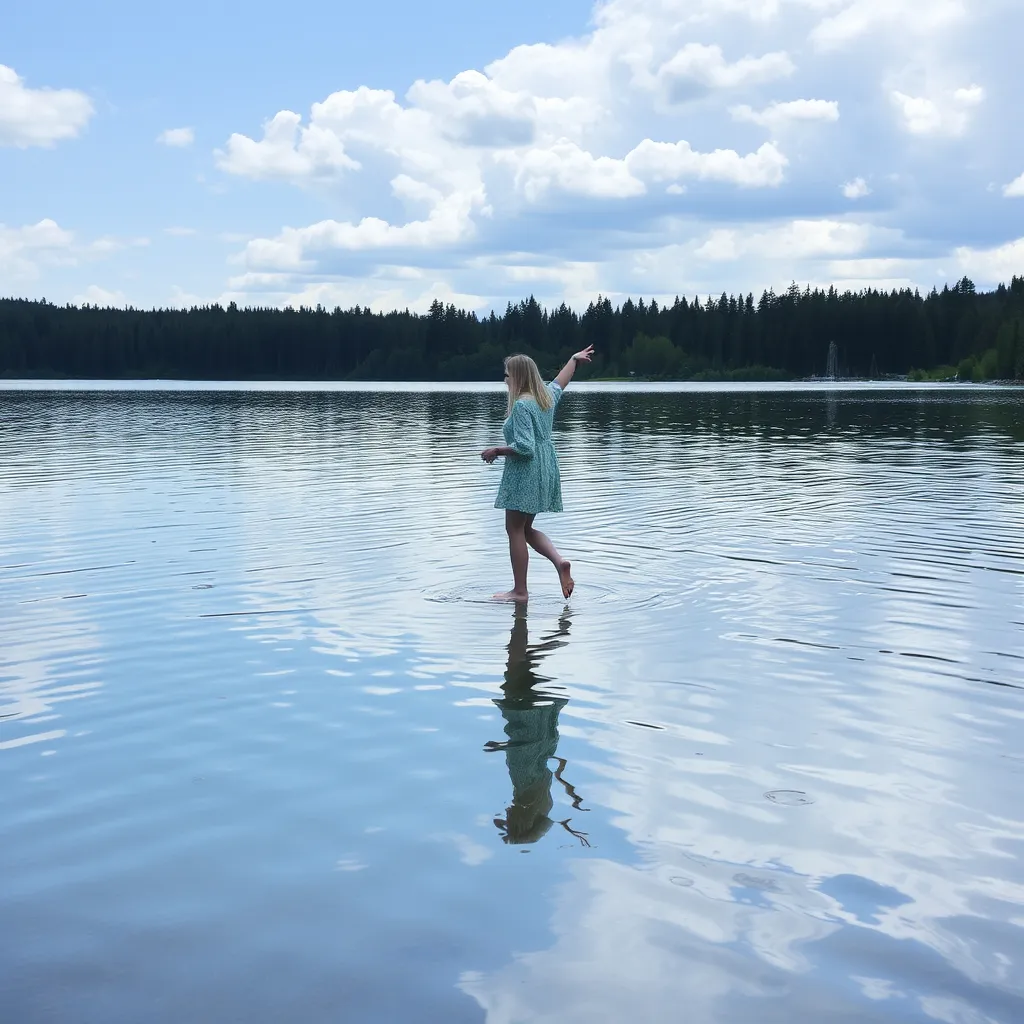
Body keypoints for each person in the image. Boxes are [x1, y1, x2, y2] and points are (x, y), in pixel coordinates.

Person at [481, 345, 595, 601]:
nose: (505, 379)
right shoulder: (546, 397)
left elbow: (524, 447)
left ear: (518, 377)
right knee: (526, 529)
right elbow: (560, 381)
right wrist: (573, 359)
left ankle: (520, 591)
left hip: (526, 473)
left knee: (514, 530)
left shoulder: (522, 406)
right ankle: (559, 562)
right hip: (546, 470)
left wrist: (496, 450)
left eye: (507, 375)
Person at [484, 607, 590, 847]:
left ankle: (553, 634)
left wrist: (503, 746)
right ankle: (550, 631)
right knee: (517, 662)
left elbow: (528, 752)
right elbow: (524, 751)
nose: (506, 816)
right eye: (510, 821)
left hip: (534, 725)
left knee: (520, 663)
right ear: (520, 819)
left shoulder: (537, 795)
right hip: (524, 717)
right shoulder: (528, 794)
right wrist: (501, 746)